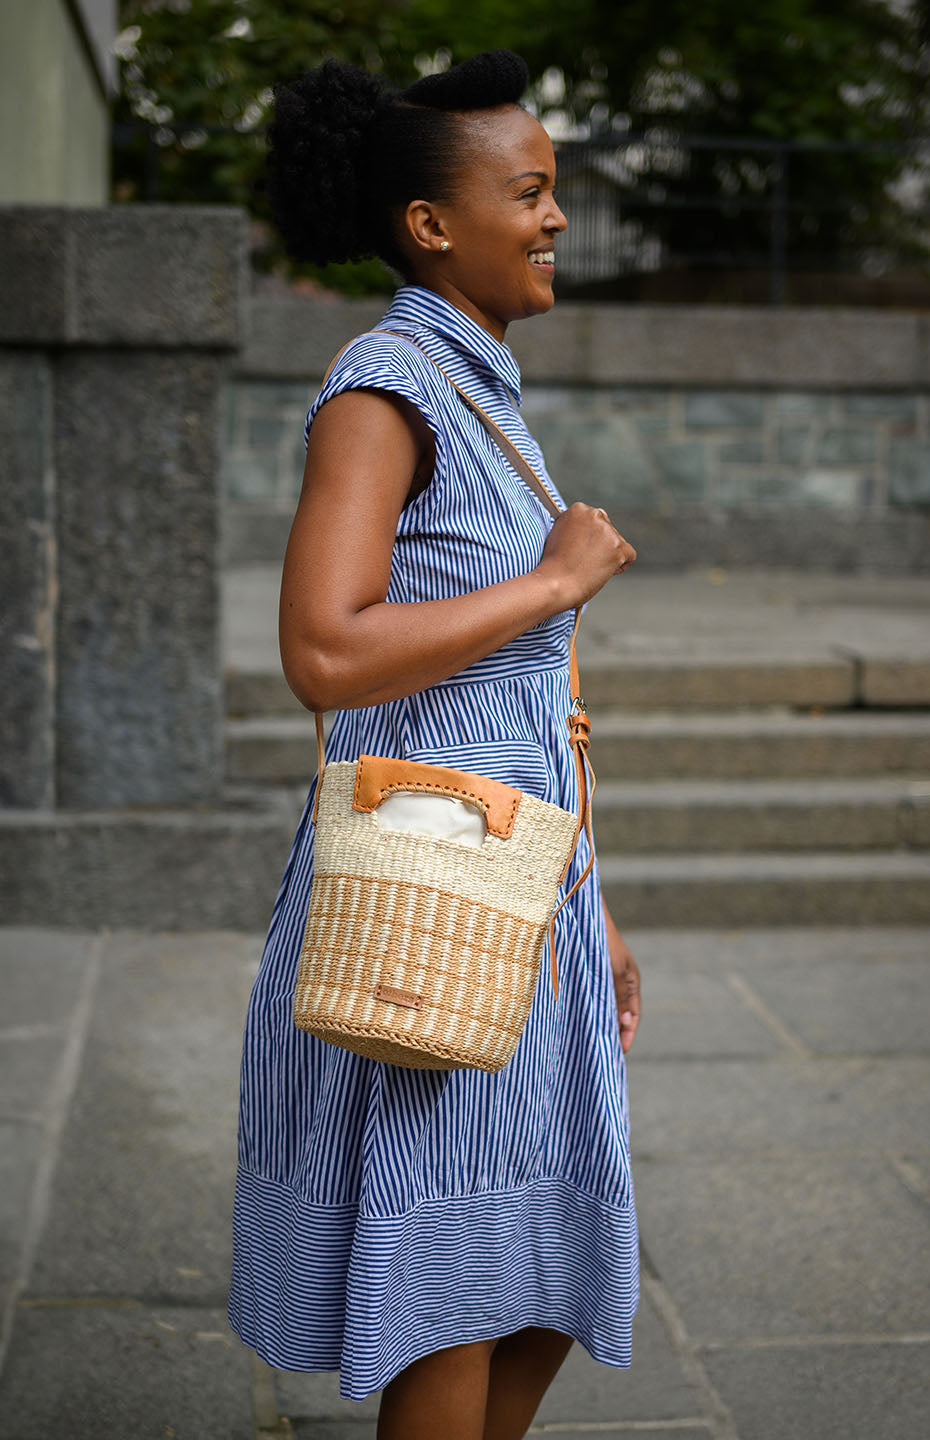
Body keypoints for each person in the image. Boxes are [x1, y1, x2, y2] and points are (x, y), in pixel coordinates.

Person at [227, 48, 641, 1440]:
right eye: (528, 191)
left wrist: (601, 900)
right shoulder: (383, 386)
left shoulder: (481, 390)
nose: (555, 217)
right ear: (431, 226)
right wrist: (555, 579)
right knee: (454, 1288)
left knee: (540, 1275)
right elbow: (324, 650)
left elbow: (535, 693)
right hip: (442, 898)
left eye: (554, 190)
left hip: (530, 887)